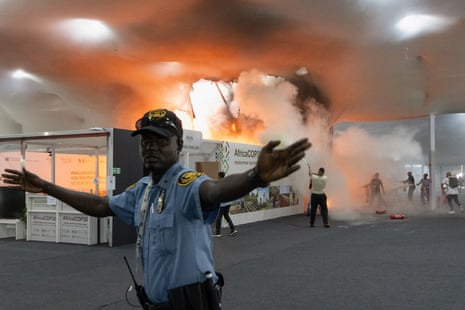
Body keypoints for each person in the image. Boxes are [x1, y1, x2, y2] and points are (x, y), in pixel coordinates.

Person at [1, 108, 311, 309]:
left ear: (179, 145)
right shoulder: (143, 191)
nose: (151, 146)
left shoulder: (187, 183)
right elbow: (100, 205)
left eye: (160, 140)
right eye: (145, 140)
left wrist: (255, 176)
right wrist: (46, 186)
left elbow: (215, 191)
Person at [213, 171, 238, 237]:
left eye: (218, 176)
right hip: (228, 202)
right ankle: (233, 229)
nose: (217, 177)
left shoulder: (220, 183)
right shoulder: (227, 182)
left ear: (219, 176)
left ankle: (218, 232)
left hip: (223, 203)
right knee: (226, 215)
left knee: (219, 217)